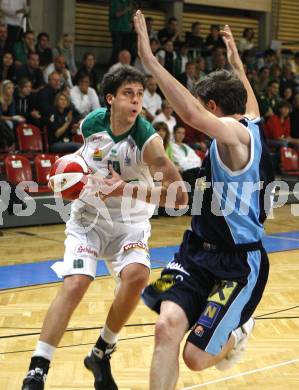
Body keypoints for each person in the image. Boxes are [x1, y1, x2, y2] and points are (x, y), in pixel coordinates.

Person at [21, 65, 187, 390]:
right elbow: (86, 155)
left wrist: (123, 189)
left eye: (140, 94)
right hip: (90, 219)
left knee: (138, 276)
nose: (136, 101)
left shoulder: (148, 142)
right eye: (128, 94)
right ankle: (37, 368)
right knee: (77, 283)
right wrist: (69, 171)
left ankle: (101, 351)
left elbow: (180, 199)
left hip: (130, 222)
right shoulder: (91, 123)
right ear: (110, 98)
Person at [134, 11, 274, 389]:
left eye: (202, 104)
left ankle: (238, 332)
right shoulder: (251, 121)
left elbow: (190, 113)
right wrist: (235, 61)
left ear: (213, 108)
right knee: (165, 328)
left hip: (237, 263)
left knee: (195, 358)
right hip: (196, 252)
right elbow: (251, 101)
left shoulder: (237, 137)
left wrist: (150, 60)